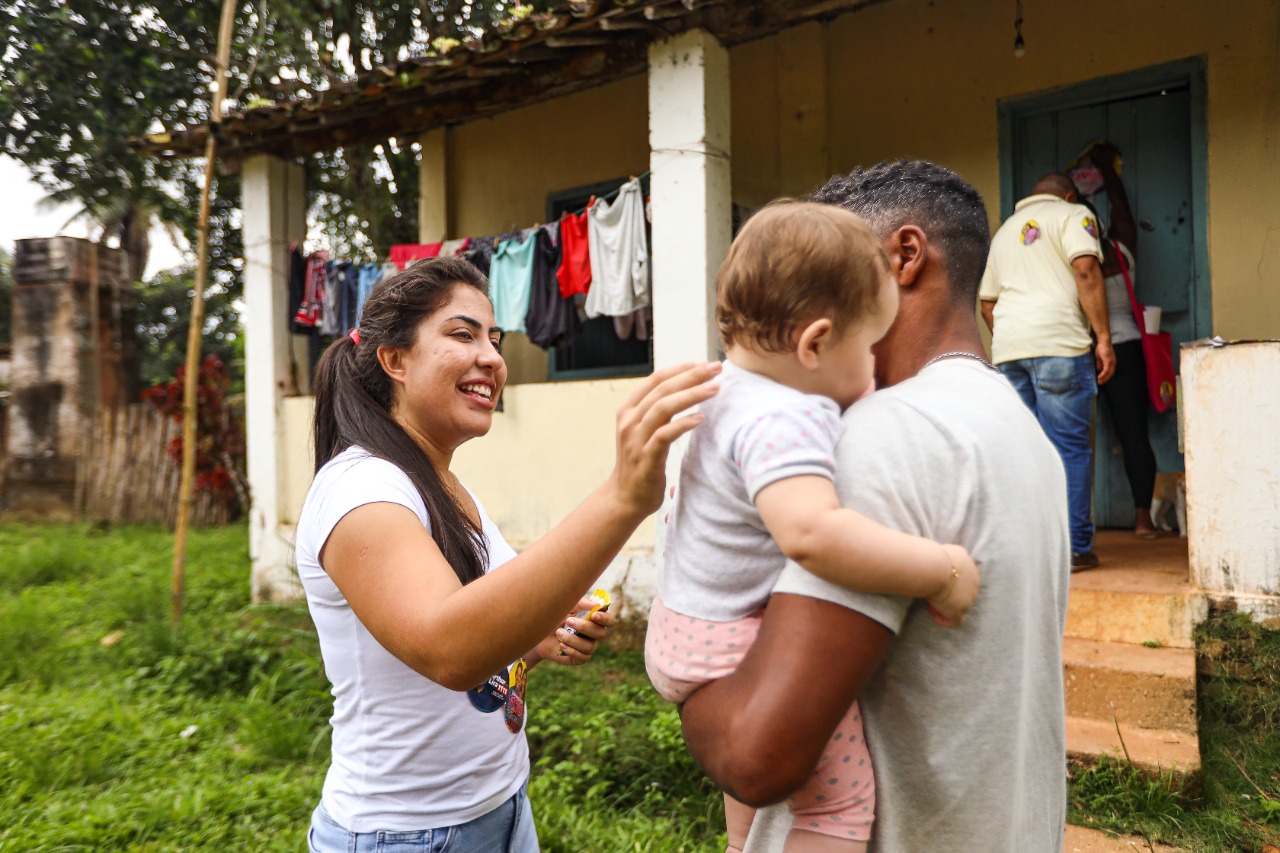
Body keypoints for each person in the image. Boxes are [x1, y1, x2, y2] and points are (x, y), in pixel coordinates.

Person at [676, 161, 1071, 852]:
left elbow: (756, 756)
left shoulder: (884, 435)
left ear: (904, 257)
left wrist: (686, 683)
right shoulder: (1023, 431)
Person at [294, 255, 721, 852]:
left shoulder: (438, 482)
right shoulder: (360, 490)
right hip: (409, 836)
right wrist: (622, 498)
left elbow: (482, 632)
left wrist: (537, 637)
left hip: (499, 806)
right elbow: (451, 649)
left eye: (494, 340)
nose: (492, 358)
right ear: (394, 359)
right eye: (462, 334)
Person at [647, 202, 980, 853]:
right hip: (726, 640)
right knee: (839, 806)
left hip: (683, 623)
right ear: (815, 343)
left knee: (750, 796)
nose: (878, 370)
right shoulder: (784, 417)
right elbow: (813, 535)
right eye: (869, 348)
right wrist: (941, 571)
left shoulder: (727, 387)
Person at [978, 171, 1114, 570]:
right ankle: (1073, 548)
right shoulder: (1073, 216)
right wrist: (1103, 337)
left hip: (1009, 352)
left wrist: (1014, 341)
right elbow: (1086, 270)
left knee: (1027, 451)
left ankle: (1032, 549)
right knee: (1069, 448)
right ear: (1069, 195)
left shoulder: (1003, 233)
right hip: (1060, 346)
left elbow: (988, 303)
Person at [1085, 142, 1161, 538]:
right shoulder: (1122, 249)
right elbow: (1121, 208)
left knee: (1073, 437)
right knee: (1134, 435)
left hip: (1085, 351)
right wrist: (1107, 170)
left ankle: (1075, 525)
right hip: (1127, 349)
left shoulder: (1077, 263)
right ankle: (1143, 521)